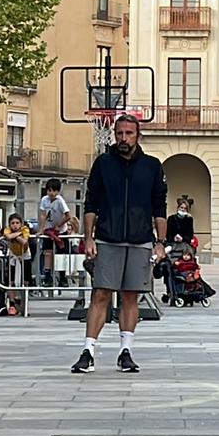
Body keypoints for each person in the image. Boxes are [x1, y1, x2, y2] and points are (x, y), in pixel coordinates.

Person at [72, 115, 167, 374]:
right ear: (114, 134)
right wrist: (89, 237)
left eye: (129, 133)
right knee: (101, 293)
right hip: (107, 237)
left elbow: (159, 206)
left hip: (140, 240)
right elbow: (91, 202)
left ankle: (126, 351)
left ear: (138, 135)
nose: (124, 138)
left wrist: (160, 243)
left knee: (130, 296)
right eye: (120, 133)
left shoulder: (152, 166)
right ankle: (88, 351)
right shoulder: (103, 164)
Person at [36, 178, 71, 287]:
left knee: (61, 254)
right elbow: (43, 215)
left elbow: (68, 216)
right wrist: (41, 229)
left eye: (55, 191)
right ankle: (47, 276)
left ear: (58, 191)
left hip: (61, 231)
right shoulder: (44, 200)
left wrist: (59, 225)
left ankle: (62, 277)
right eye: (50, 190)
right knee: (48, 252)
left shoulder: (60, 201)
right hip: (49, 230)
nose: (52, 193)